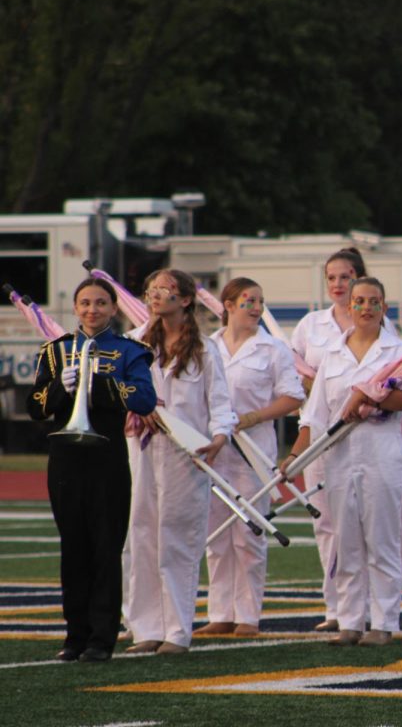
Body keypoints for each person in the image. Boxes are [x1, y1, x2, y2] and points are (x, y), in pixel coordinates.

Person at [286, 277, 402, 647]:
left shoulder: (399, 351)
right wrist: (295, 456)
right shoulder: (331, 353)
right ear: (350, 307)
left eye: (373, 301)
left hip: (381, 452)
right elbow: (314, 416)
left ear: (384, 308)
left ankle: (384, 621)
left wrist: (372, 399)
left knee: (381, 540)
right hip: (339, 456)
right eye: (359, 301)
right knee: (345, 542)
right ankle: (350, 620)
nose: (365, 308)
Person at [27, 278, 156, 662]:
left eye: (100, 303)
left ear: (113, 309)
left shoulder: (130, 351)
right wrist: (59, 390)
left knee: (105, 547)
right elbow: (35, 406)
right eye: (84, 303)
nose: (92, 310)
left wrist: (98, 385)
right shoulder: (56, 350)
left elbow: (145, 399)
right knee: (73, 548)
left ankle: (101, 637)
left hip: (107, 458)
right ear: (75, 306)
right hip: (66, 458)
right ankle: (74, 635)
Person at [125, 269, 236, 655]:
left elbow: (220, 403)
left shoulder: (205, 350)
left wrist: (219, 436)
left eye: (165, 290)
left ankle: (176, 631)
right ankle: (145, 629)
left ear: (185, 299)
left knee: (178, 540)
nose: (155, 296)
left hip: (186, 454)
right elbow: (116, 389)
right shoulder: (134, 342)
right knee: (140, 537)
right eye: (151, 290)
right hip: (141, 449)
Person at [196, 279, 305, 637]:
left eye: (260, 301)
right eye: (249, 301)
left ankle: (247, 615)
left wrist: (254, 416)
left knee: (247, 533)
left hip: (251, 452)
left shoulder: (273, 349)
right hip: (213, 451)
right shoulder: (206, 346)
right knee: (215, 534)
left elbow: (292, 397)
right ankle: (220, 613)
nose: (257, 308)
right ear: (227, 305)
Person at [290, 247, 389, 632]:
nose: (337, 284)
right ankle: (338, 608)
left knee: (370, 527)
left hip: (367, 436)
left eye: (345, 277)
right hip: (319, 434)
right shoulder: (311, 325)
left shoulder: (382, 327)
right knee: (329, 525)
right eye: (331, 277)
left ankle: (373, 612)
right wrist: (308, 384)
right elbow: (292, 369)